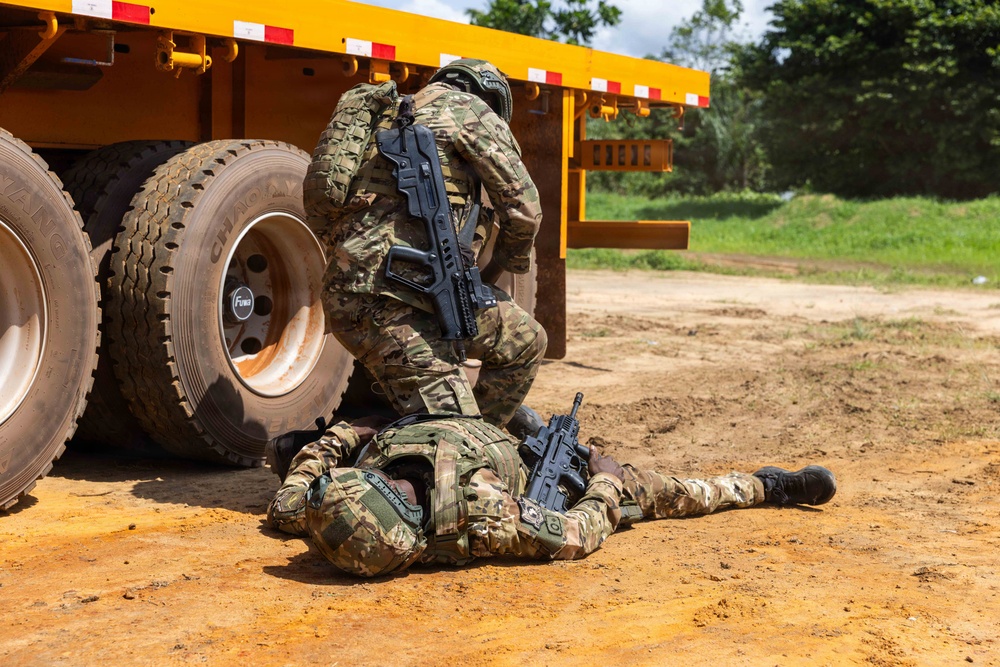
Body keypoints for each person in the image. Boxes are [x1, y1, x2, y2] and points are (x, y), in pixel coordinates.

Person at [266, 415, 837, 578]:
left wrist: (348, 433)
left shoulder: (322, 509)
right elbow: (578, 534)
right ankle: (766, 486)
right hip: (539, 477)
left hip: (469, 415)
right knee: (661, 492)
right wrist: (606, 479)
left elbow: (290, 494)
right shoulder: (481, 515)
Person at [309, 58, 546, 428]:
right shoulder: (471, 110)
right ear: (491, 100)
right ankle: (452, 452)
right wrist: (499, 269)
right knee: (451, 428)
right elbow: (524, 211)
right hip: (385, 302)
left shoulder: (383, 113)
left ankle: (479, 449)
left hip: (381, 291)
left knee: (523, 341)